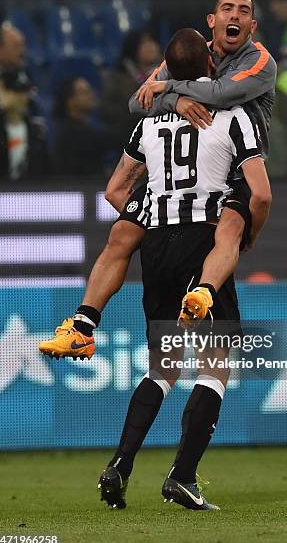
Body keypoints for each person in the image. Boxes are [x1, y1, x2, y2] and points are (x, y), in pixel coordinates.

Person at [39, 0, 276, 358]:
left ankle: (203, 295)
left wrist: (169, 88)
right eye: (227, 9)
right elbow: (138, 100)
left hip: (234, 168)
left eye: (243, 11)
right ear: (212, 22)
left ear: (252, 25)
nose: (235, 16)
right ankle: (82, 325)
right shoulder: (192, 53)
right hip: (182, 172)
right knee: (120, 234)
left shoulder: (260, 61)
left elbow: (221, 94)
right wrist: (177, 99)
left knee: (230, 229)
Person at [97, 28, 271, 511]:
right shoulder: (234, 117)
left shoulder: (149, 122)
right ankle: (182, 477)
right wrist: (245, 235)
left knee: (163, 367)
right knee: (214, 366)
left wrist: (148, 214)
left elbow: (114, 192)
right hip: (204, 243)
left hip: (157, 247)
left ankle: (120, 464)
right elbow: (259, 193)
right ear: (212, 70)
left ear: (167, 75)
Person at [99, 30, 162, 144]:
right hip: (129, 133)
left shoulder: (169, 71)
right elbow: (106, 109)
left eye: (151, 41)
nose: (150, 46)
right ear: (132, 48)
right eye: (143, 43)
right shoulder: (118, 77)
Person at [52, 76, 120, 176]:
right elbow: (112, 138)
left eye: (90, 91)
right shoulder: (69, 132)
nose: (91, 95)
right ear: (70, 101)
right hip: (75, 189)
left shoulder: (87, 128)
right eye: (85, 92)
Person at [0, 68, 48, 180]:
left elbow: (44, 169)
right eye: (16, 91)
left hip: (29, 193)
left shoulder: (37, 130)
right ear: (2, 92)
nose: (22, 98)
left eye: (25, 92)